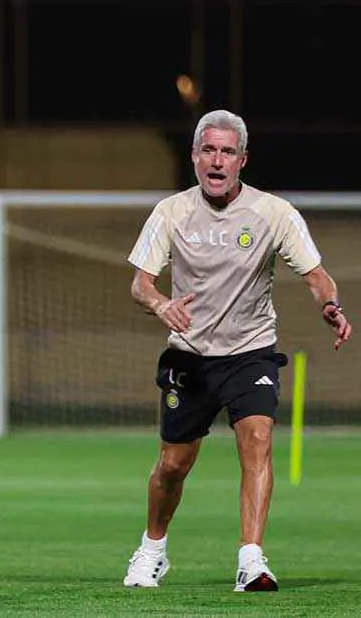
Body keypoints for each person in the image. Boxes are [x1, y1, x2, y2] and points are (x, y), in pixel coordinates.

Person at [121, 109, 351, 592]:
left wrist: (329, 304)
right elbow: (141, 284)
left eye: (227, 151)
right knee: (173, 464)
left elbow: (316, 275)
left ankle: (251, 558)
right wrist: (162, 305)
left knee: (258, 441)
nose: (217, 160)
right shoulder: (172, 212)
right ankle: (152, 548)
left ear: (242, 160)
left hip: (251, 351)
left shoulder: (274, 213)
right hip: (189, 356)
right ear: (194, 156)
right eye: (209, 150)